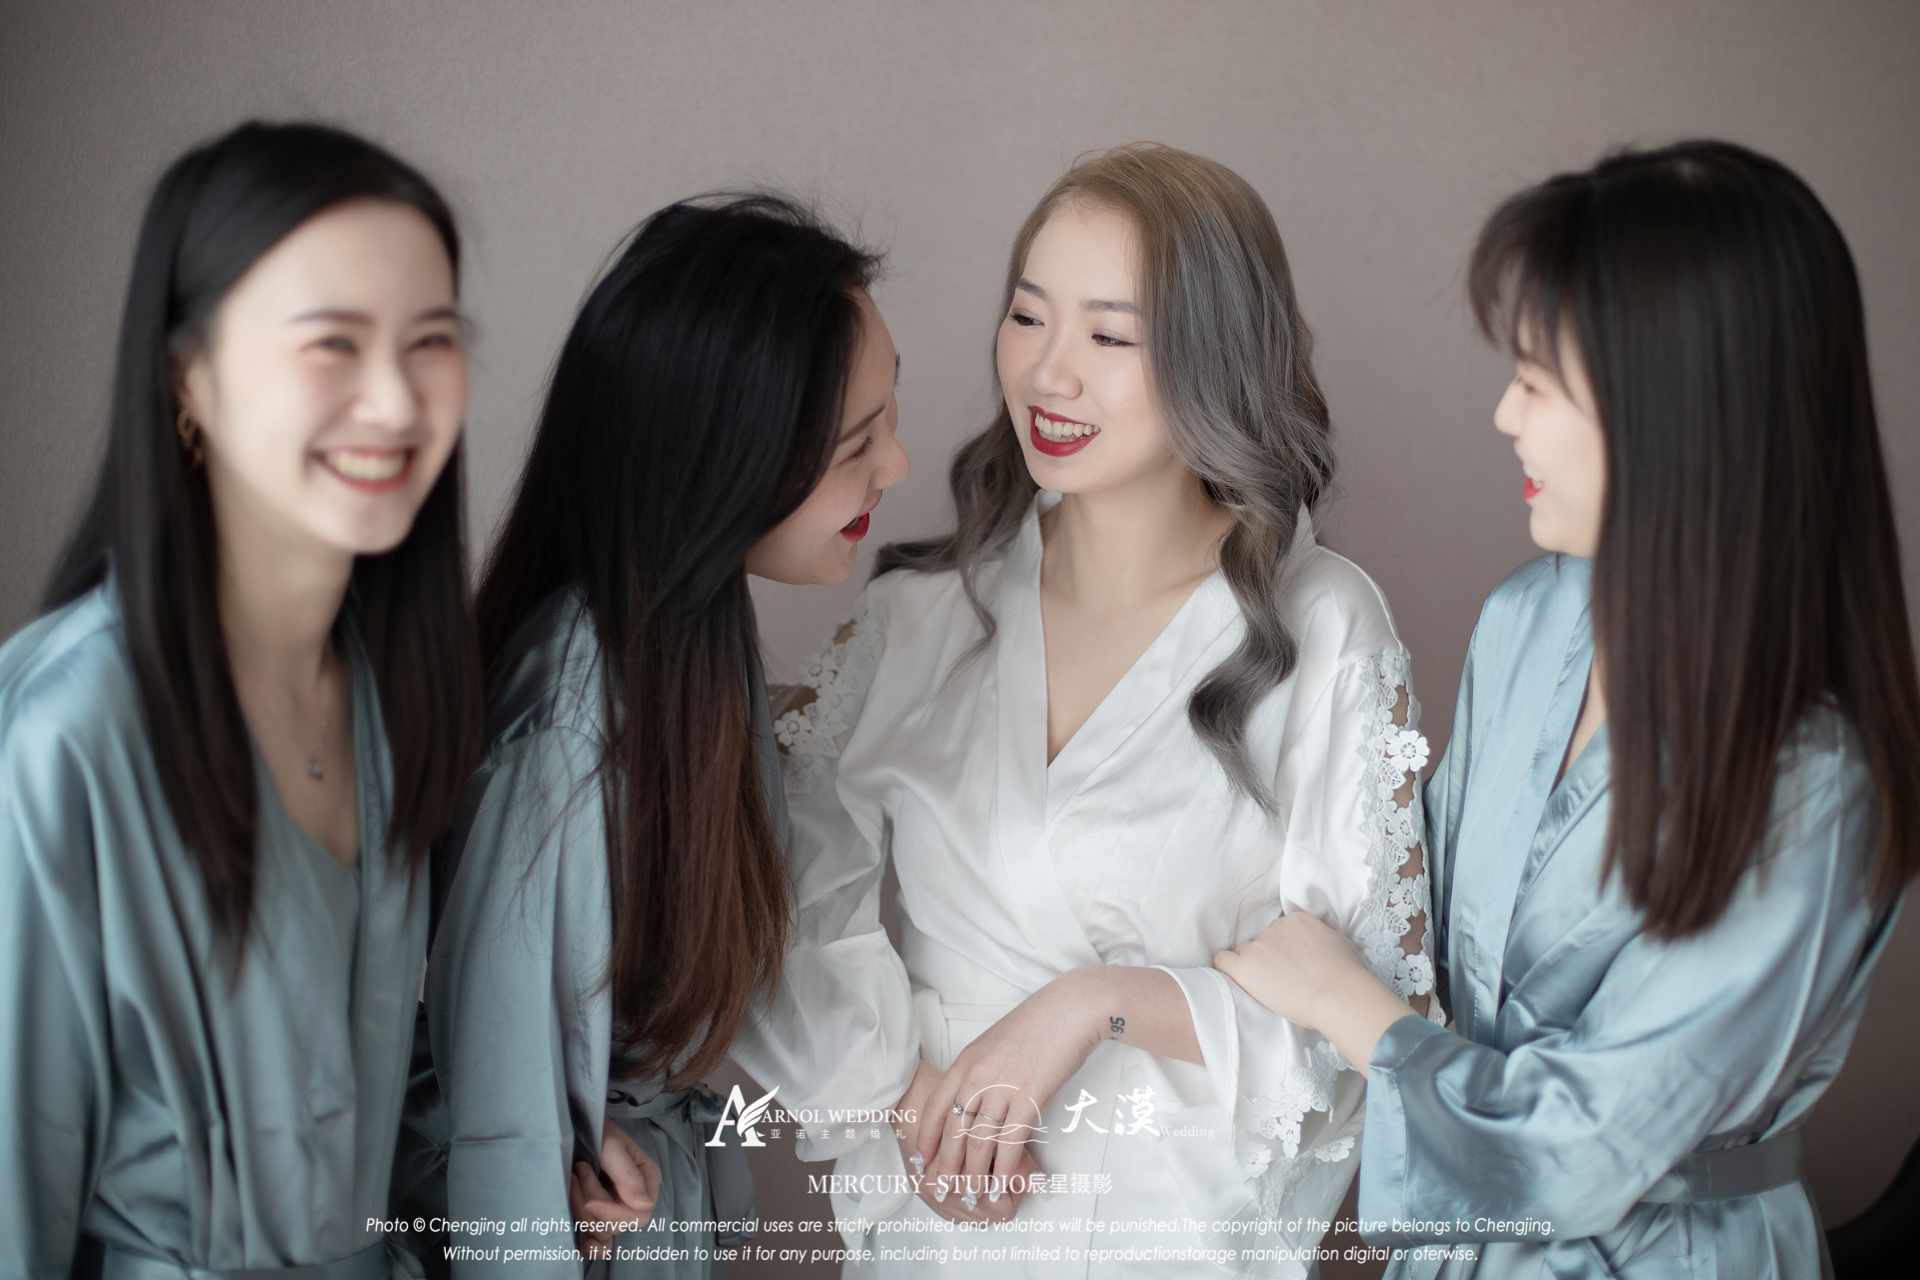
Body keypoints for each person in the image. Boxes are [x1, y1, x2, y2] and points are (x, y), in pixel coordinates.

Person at [1215, 140, 1920, 1279]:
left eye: (1540, 381)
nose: (1506, 414)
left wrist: (1355, 1011)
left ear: (1678, 407)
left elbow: (1587, 1146)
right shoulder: (1528, 621)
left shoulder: (1813, 779)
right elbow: (1405, 913)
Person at [765, 142, 1435, 1278]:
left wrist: (1097, 1003)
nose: (1047, 373)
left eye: (1110, 337)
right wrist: (907, 1105)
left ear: (1218, 358)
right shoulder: (920, 620)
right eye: (1028, 317)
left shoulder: (1323, 627)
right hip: (944, 1236)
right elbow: (777, 904)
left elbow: (1371, 1019)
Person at [0, 121, 482, 1278]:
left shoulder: (390, 690)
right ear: (188, 378)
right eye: (332, 342)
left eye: (430, 339)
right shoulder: (73, 734)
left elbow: (356, 1092)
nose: (394, 400)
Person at [410, 194, 909, 1278]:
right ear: (722, 456)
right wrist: (569, 1148)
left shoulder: (693, 637)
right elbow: (496, 1136)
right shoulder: (568, 729)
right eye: (858, 443)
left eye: (891, 418)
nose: (898, 466)